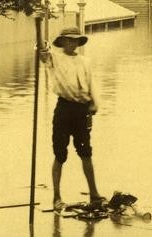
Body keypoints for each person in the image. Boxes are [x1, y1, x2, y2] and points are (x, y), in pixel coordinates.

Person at [39, 26, 104, 212]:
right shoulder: (55, 59)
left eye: (75, 40)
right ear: (63, 42)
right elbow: (43, 53)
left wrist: (93, 105)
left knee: (86, 153)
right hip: (64, 109)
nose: (72, 43)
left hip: (81, 110)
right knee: (60, 154)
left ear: (78, 42)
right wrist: (42, 47)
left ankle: (94, 193)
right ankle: (56, 197)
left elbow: (91, 84)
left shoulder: (85, 62)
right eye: (68, 40)